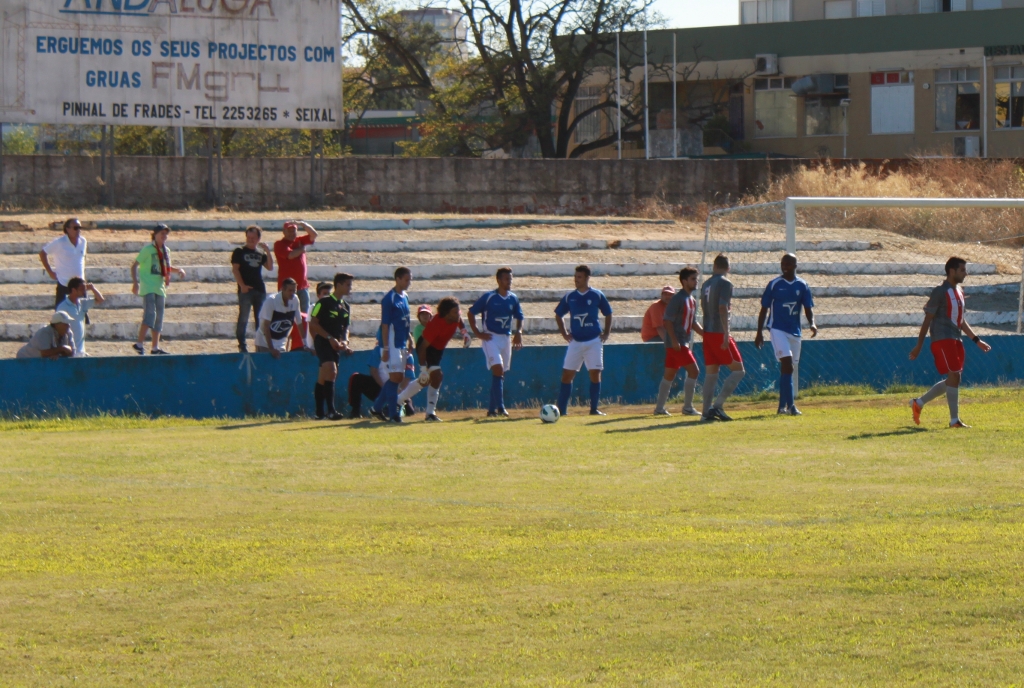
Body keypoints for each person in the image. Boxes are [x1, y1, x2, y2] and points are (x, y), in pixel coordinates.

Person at [909, 257, 992, 428]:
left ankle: (919, 403)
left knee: (954, 378)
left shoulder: (959, 291)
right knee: (954, 376)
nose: (966, 273)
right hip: (942, 339)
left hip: (956, 338)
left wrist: (976, 340)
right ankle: (954, 421)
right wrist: (919, 345)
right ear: (952, 271)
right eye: (962, 270)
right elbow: (927, 320)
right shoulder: (940, 291)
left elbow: (960, 320)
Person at [755, 254, 818, 416]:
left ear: (795, 265)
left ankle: (781, 407)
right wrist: (759, 332)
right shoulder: (774, 284)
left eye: (788, 264)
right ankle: (791, 406)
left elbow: (808, 308)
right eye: (783, 263)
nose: (785, 266)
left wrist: (812, 323)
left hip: (795, 331)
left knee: (788, 368)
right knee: (787, 364)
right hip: (777, 329)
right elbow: (764, 309)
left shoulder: (802, 285)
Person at [554, 265, 613, 416]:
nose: (576, 280)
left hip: (594, 340)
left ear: (587, 278)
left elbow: (608, 313)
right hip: (576, 341)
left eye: (579, 277)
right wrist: (564, 333)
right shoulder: (570, 296)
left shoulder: (596, 295)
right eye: (575, 277)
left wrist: (606, 333)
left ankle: (594, 409)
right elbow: (558, 314)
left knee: (595, 373)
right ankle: (562, 410)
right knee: (567, 374)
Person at [394, 297, 465, 422]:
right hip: (427, 348)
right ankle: (430, 413)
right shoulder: (436, 324)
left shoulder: (454, 317)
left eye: (458, 311)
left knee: (425, 381)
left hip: (438, 349)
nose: (458, 314)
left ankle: (399, 400)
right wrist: (422, 369)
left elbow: (460, 321)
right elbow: (422, 347)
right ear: (447, 313)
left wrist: (465, 333)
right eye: (455, 312)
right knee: (436, 376)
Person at [468, 267, 525, 417]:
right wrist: (477, 333)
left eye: (510, 279)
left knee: (500, 374)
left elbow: (520, 316)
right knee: (498, 370)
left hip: (505, 338)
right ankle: (501, 407)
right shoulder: (489, 297)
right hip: (491, 338)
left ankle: (491, 410)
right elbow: (471, 312)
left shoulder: (513, 298)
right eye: (506, 279)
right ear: (498, 280)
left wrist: (518, 332)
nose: (509, 282)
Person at [700, 254, 746, 422]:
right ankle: (717, 406)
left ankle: (705, 413)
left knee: (711, 374)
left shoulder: (706, 284)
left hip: (707, 332)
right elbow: (722, 307)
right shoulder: (725, 283)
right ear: (728, 268)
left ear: (714, 266)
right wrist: (726, 333)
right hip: (719, 333)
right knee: (739, 370)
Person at [654, 268, 704, 416]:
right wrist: (674, 341)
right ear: (684, 281)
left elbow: (693, 322)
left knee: (669, 375)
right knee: (694, 371)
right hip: (678, 344)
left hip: (679, 343)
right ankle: (687, 407)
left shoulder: (692, 300)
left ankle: (659, 408)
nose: (696, 282)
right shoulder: (678, 299)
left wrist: (705, 335)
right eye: (693, 279)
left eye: (696, 279)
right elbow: (667, 321)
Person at [132, 224, 186, 356]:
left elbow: (166, 268)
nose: (164, 236)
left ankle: (155, 347)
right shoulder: (147, 249)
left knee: (159, 318)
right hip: (148, 287)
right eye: (162, 233)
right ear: (155, 235)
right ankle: (139, 344)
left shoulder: (166, 251)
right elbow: (134, 265)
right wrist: (135, 283)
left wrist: (178, 270)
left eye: (166, 234)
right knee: (150, 315)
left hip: (160, 288)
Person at [308, 272, 354, 420]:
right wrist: (329, 338)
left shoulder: (346, 306)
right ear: (338, 285)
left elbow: (346, 328)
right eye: (347, 285)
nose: (350, 288)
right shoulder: (323, 303)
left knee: (324, 377)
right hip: (323, 342)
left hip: (335, 345)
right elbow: (313, 323)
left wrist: (345, 341)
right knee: (332, 371)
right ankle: (331, 411)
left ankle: (319, 413)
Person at [371, 267, 413, 423]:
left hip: (401, 343)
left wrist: (410, 338)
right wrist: (386, 348)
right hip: (392, 344)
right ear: (398, 279)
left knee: (398, 377)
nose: (409, 283)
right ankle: (393, 414)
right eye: (406, 280)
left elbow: (405, 321)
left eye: (410, 280)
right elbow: (385, 325)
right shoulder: (389, 299)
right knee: (395, 377)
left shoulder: (405, 297)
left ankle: (376, 408)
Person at [231, 225, 275, 353]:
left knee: (260, 319)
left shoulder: (260, 253)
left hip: (259, 289)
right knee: (243, 318)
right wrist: (242, 286)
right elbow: (235, 270)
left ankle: (260, 344)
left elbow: (270, 267)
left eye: (253, 238)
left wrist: (268, 251)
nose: (250, 240)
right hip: (245, 290)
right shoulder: (239, 251)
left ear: (258, 238)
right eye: (248, 237)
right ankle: (242, 345)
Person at [39, 218, 87, 310]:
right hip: (64, 284)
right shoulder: (60, 242)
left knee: (81, 313)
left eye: (80, 228)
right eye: (75, 228)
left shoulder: (83, 241)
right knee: (61, 314)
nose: (78, 230)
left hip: (80, 285)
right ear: (67, 229)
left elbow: (82, 259)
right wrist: (50, 272)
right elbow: (43, 253)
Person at [273, 221, 318, 314]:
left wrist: (303, 224)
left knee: (305, 315)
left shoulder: (299, 240)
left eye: (293, 231)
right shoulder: (279, 244)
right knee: (286, 314)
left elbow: (314, 234)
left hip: (302, 286)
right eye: (289, 231)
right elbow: (290, 255)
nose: (291, 233)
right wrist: (301, 249)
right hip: (286, 288)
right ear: (284, 232)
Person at [56, 277, 105, 357]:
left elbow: (100, 299)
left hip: (81, 351)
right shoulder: (62, 307)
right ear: (73, 290)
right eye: (82, 289)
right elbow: (57, 328)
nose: (84, 291)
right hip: (70, 351)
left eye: (84, 289)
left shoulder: (82, 303)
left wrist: (92, 288)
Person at [255, 278, 303, 359]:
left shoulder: (295, 300)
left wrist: (305, 344)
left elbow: (299, 322)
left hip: (281, 343)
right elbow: (266, 326)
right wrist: (271, 348)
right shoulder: (271, 301)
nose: (292, 293)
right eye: (290, 290)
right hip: (264, 342)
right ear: (283, 289)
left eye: (294, 291)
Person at [291, 281, 331, 353]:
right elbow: (312, 329)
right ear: (318, 295)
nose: (327, 296)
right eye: (324, 294)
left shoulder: (332, 309)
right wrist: (319, 345)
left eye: (328, 294)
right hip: (314, 347)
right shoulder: (313, 308)